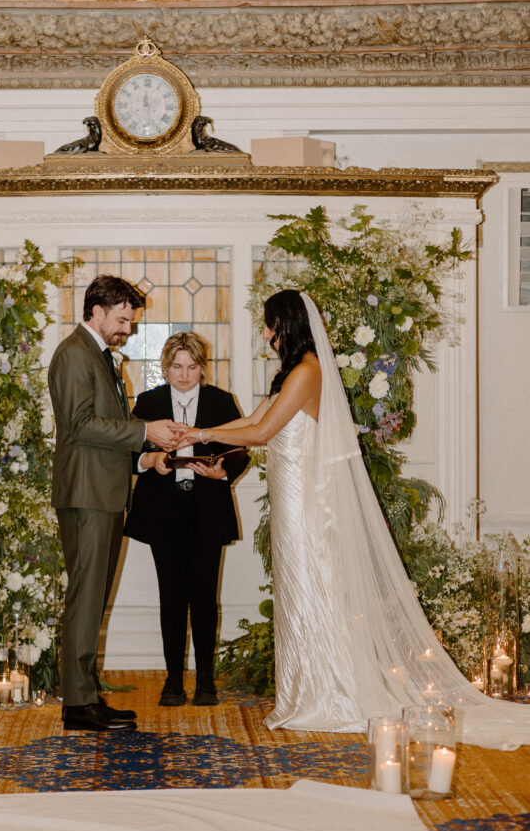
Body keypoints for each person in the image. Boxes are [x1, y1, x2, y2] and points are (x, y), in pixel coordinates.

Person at [179, 290, 529, 750]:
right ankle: (306, 690)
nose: (264, 333)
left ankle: (332, 694)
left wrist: (198, 432)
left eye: (268, 325)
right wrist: (200, 440)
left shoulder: (308, 372)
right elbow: (251, 420)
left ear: (285, 325)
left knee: (313, 593)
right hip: (289, 505)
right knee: (296, 596)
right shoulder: (289, 375)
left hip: (306, 505)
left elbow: (262, 434)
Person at [48, 275, 181, 732]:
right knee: (85, 600)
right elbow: (80, 425)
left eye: (130, 320)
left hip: (101, 491)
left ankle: (86, 698)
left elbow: (103, 432)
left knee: (92, 599)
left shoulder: (96, 355)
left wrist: (144, 459)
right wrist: (146, 430)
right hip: (86, 496)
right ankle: (78, 705)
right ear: (97, 310)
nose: (128, 328)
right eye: (123, 319)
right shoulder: (73, 355)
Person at [124, 333, 249, 707]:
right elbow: (125, 453)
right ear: (165, 367)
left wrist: (222, 473)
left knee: (205, 597)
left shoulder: (221, 401)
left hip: (206, 508)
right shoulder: (149, 402)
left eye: (192, 367)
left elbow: (241, 450)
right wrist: (151, 461)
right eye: (177, 367)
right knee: (171, 596)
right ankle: (173, 681)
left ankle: (207, 681)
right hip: (164, 510)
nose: (184, 375)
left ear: (202, 368)